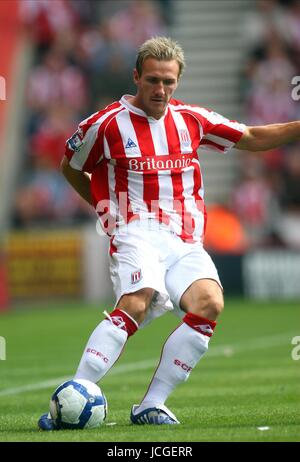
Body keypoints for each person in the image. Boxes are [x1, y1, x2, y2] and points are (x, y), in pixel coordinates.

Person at [38, 36, 300, 428]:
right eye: (153, 80)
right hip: (134, 231)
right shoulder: (104, 124)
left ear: (177, 82)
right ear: (136, 77)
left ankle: (151, 404)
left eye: (168, 82)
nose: (160, 90)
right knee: (138, 300)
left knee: (209, 303)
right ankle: (74, 397)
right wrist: (103, 206)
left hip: (184, 239)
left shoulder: (192, 120)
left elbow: (250, 137)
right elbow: (70, 166)